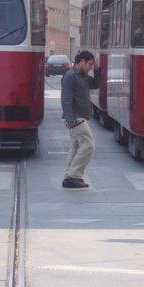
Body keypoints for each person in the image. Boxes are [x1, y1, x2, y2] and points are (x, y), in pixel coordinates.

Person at [60, 50, 101, 189]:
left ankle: (68, 177)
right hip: (76, 118)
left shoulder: (82, 76)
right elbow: (66, 99)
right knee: (89, 145)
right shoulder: (70, 76)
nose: (90, 68)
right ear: (82, 61)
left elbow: (95, 84)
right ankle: (75, 175)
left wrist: (97, 70)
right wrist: (69, 117)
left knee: (75, 147)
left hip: (81, 117)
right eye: (89, 64)